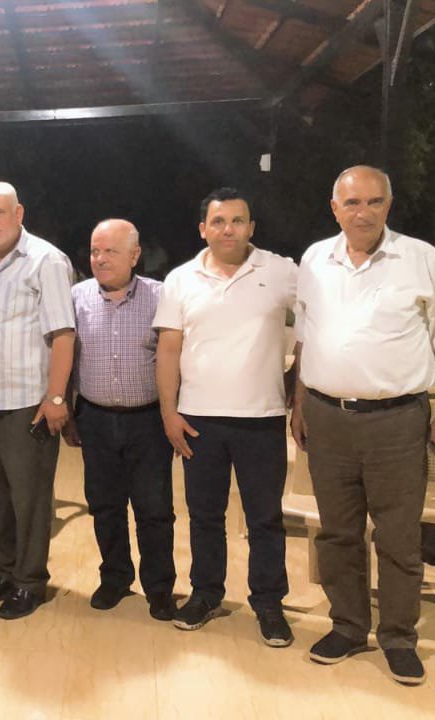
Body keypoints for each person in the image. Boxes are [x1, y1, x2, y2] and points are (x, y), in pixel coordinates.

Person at [291, 166, 435, 686]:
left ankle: (397, 637)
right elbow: (306, 337)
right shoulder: (314, 259)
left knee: (398, 536)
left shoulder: (423, 260)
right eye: (352, 203)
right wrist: (299, 404)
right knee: (338, 533)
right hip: (327, 419)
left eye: (374, 202)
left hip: (397, 422)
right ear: (335, 208)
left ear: (389, 206)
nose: (363, 212)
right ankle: (348, 626)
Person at [153, 187, 297, 647]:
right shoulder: (181, 279)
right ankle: (206, 594)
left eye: (237, 221)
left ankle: (269, 603)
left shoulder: (281, 272)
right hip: (199, 419)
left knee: (265, 519)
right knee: (204, 516)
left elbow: (315, 325)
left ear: (251, 227)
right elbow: (168, 349)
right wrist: (168, 411)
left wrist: (300, 389)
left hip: (262, 417)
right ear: (203, 229)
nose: (228, 229)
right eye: (218, 221)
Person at [0, 181, 75, 620]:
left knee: (29, 500)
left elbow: (63, 333)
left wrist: (56, 396)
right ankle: (5, 573)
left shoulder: (45, 260)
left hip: (26, 403)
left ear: (19, 213)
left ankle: (29, 582)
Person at [64, 219, 176, 622]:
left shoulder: (161, 297)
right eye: (95, 250)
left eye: (110, 251)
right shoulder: (76, 297)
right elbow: (67, 356)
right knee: (104, 505)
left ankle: (159, 587)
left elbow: (173, 357)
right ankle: (114, 578)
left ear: (134, 255)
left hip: (148, 422)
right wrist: (68, 409)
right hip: (94, 418)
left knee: (154, 509)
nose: (100, 258)